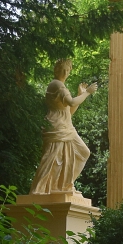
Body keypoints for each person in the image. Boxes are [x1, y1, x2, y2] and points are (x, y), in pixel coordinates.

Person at [29, 59, 96, 195]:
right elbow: (71, 103)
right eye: (63, 69)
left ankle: (64, 185)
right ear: (56, 70)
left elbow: (69, 112)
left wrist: (80, 95)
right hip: (57, 127)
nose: (65, 72)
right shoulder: (56, 85)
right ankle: (42, 190)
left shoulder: (61, 86)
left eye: (68, 70)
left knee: (83, 152)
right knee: (52, 159)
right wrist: (87, 93)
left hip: (65, 127)